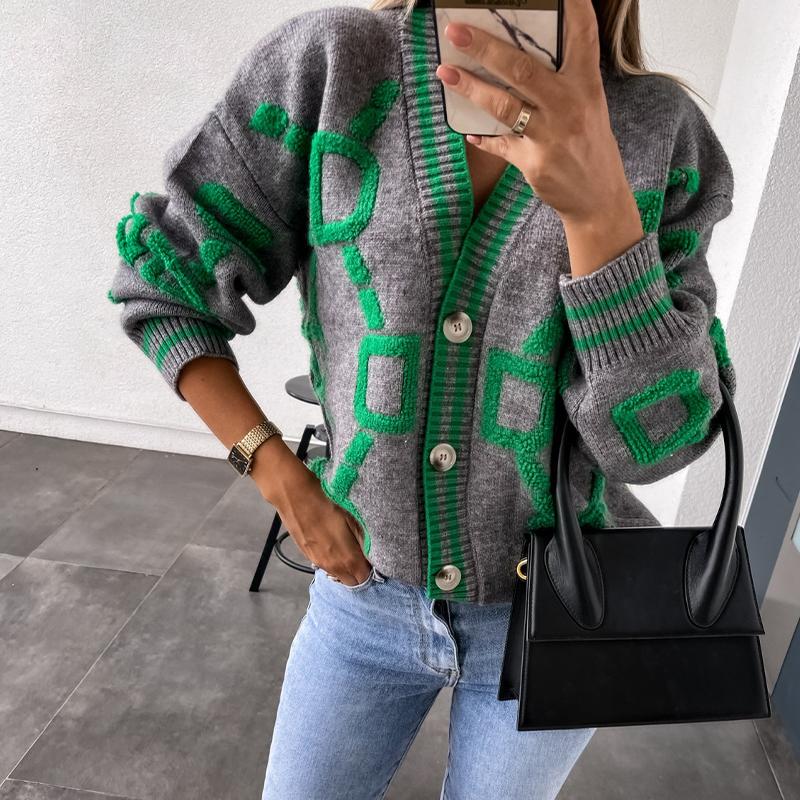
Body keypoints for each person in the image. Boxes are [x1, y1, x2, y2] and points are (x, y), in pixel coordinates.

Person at [107, 0, 737, 796]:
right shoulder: (334, 67)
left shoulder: (660, 132)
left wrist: (601, 212)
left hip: (561, 608)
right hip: (363, 597)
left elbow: (662, 442)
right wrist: (277, 474)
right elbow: (164, 282)